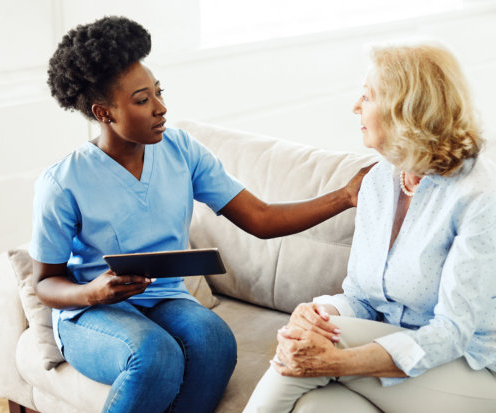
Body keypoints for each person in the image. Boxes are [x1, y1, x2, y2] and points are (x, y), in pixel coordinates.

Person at [30, 16, 372, 413]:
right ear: (103, 113)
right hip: (90, 312)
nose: (161, 108)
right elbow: (45, 283)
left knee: (215, 342)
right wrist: (94, 292)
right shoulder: (63, 182)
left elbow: (259, 218)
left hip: (163, 297)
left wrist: (346, 195)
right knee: (155, 354)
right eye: (142, 101)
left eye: (158, 93)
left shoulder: (181, 150)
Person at [243, 43, 496, 413]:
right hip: (412, 359)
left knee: (323, 344)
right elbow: (361, 295)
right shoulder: (378, 182)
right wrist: (320, 311)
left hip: (492, 371)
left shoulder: (479, 193)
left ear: (403, 109)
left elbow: (453, 332)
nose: (355, 107)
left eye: (367, 97)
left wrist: (334, 361)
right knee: (314, 405)